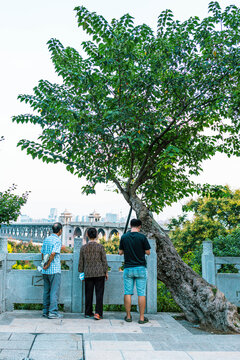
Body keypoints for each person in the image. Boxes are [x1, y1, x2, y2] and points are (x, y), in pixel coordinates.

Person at [119, 218, 151, 324]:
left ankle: (128, 316)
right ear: (139, 226)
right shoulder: (142, 237)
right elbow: (148, 252)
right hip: (141, 268)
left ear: (130, 225)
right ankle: (141, 318)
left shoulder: (124, 237)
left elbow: (120, 252)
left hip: (128, 268)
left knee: (127, 292)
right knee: (141, 293)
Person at [78, 227, 108, 320]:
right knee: (99, 294)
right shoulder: (100, 247)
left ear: (87, 235)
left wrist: (81, 273)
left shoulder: (83, 248)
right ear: (96, 235)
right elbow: (104, 261)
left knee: (88, 293)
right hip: (99, 273)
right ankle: (98, 313)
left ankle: (88, 312)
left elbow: (81, 262)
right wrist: (106, 272)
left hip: (88, 273)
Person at [41, 222, 63, 319]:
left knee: (46, 291)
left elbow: (42, 253)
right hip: (54, 270)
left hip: (45, 271)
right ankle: (53, 312)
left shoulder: (47, 239)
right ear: (60, 230)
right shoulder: (57, 240)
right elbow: (53, 254)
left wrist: (44, 264)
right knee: (54, 292)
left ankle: (45, 311)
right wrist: (49, 264)